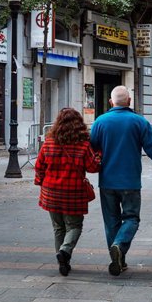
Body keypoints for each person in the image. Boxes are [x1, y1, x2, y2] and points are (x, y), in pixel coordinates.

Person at [90, 86, 152, 276]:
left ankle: (118, 259)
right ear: (129, 101)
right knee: (131, 218)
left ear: (111, 102)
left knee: (111, 221)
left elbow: (92, 148)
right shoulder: (139, 122)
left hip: (107, 181)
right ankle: (119, 246)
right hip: (131, 182)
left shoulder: (100, 122)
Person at [34, 108, 101, 276]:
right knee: (74, 226)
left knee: (58, 228)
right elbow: (93, 168)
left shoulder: (48, 142)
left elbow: (39, 166)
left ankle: (63, 262)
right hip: (73, 193)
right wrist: (99, 155)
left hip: (51, 192)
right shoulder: (83, 145)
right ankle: (64, 252)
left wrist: (42, 183)